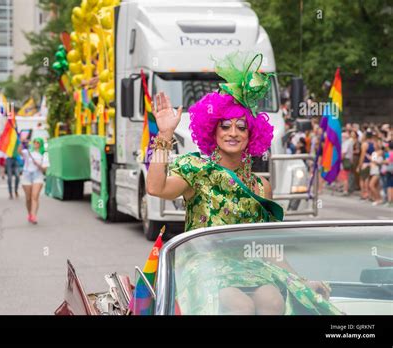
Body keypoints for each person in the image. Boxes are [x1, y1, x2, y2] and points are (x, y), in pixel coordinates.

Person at [146, 52, 340, 315]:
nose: (233, 133)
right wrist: (164, 135)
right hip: (205, 265)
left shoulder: (261, 187)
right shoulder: (197, 171)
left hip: (250, 267)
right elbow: (155, 188)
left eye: (241, 127)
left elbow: (270, 249)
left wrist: (302, 281)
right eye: (225, 126)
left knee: (272, 301)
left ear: (252, 135)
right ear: (213, 132)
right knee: (240, 306)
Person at [19, 138, 49, 224]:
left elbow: (45, 170)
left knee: (34, 196)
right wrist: (21, 143)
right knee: (28, 198)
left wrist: (38, 165)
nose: (36, 143)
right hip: (27, 175)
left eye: (38, 142)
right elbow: (19, 151)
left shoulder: (44, 154)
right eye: (35, 142)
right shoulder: (28, 152)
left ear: (41, 144)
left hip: (38, 175)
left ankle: (34, 215)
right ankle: (30, 214)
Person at [357, 130, 375, 200]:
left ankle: (364, 194)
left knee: (362, 179)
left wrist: (359, 165)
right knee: (368, 178)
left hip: (365, 163)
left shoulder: (365, 144)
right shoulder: (374, 143)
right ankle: (369, 194)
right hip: (371, 163)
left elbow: (362, 155)